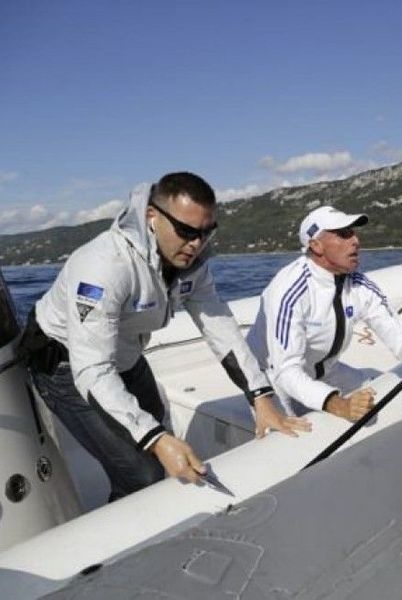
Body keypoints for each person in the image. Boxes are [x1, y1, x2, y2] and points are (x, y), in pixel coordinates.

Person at [21, 172, 310, 501]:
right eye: (187, 231)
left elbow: (220, 327)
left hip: (125, 353)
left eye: (206, 232)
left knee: (158, 424)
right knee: (144, 474)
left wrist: (260, 397)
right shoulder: (104, 267)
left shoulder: (193, 263)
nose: (197, 244)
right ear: (151, 216)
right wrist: (155, 440)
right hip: (67, 366)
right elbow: (92, 370)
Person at [246, 205, 402, 422]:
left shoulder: (359, 285)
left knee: (382, 397)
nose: (355, 240)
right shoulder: (290, 290)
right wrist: (338, 405)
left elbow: (400, 338)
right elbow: (287, 371)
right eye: (344, 234)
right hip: (272, 380)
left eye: (354, 233)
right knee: (286, 438)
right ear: (316, 245)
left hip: (326, 370)